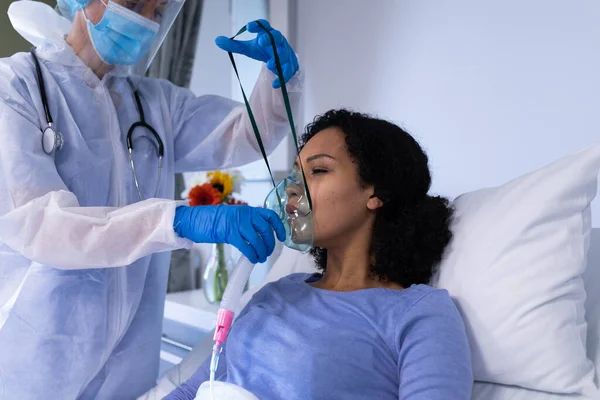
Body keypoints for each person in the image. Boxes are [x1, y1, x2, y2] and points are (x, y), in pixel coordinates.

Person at [0, 0, 302, 398]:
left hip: (130, 373)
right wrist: (175, 221)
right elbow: (40, 225)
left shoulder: (154, 103)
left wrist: (278, 80)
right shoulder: (16, 88)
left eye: (158, 10)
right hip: (36, 363)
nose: (146, 20)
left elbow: (245, 134)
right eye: (134, 4)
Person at [166, 110, 474, 400]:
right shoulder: (277, 292)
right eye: (296, 173)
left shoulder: (418, 314)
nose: (291, 189)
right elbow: (192, 390)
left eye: (319, 170)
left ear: (377, 193)